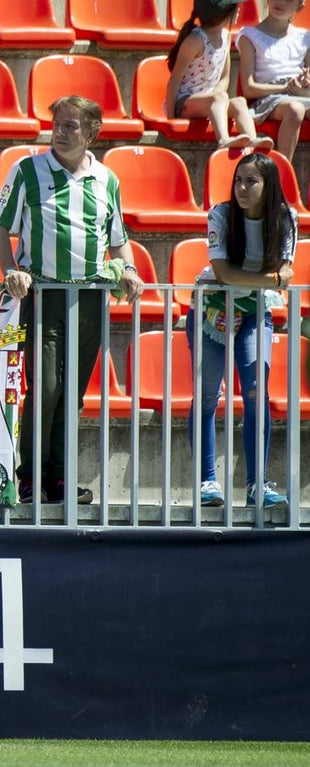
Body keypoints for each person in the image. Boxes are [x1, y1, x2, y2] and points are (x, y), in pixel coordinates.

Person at [0, 95, 145, 505]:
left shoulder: (107, 180)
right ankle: (29, 476)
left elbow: (118, 240)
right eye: (57, 123)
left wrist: (128, 269)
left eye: (71, 125)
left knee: (72, 392)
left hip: (91, 296)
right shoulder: (27, 171)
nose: (59, 131)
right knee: (46, 387)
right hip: (44, 293)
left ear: (92, 133)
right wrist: (11, 271)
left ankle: (57, 479)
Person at [186, 152, 295, 508]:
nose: (242, 188)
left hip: (254, 312)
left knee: (255, 392)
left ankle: (256, 484)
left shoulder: (285, 218)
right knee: (207, 396)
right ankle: (207, 482)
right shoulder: (220, 214)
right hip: (212, 311)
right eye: (238, 180)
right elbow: (224, 274)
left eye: (252, 181)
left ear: (268, 185)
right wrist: (267, 280)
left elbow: (286, 272)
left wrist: (261, 283)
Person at [166, 0, 273, 150]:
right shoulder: (195, 40)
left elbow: (224, 77)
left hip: (211, 102)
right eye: (236, 8)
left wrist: (217, 102)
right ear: (224, 13)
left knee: (239, 102)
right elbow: (175, 80)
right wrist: (171, 117)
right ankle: (223, 140)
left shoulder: (226, 36)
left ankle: (253, 140)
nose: (239, 11)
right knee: (220, 97)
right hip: (184, 104)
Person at [237, 0, 310, 161]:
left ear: (300, 6)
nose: (280, 3)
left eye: (289, 0)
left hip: (299, 94)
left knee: (297, 105)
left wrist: (306, 81)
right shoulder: (249, 35)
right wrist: (285, 87)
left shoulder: (305, 37)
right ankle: (282, 175)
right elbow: (248, 89)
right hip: (268, 98)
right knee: (295, 109)